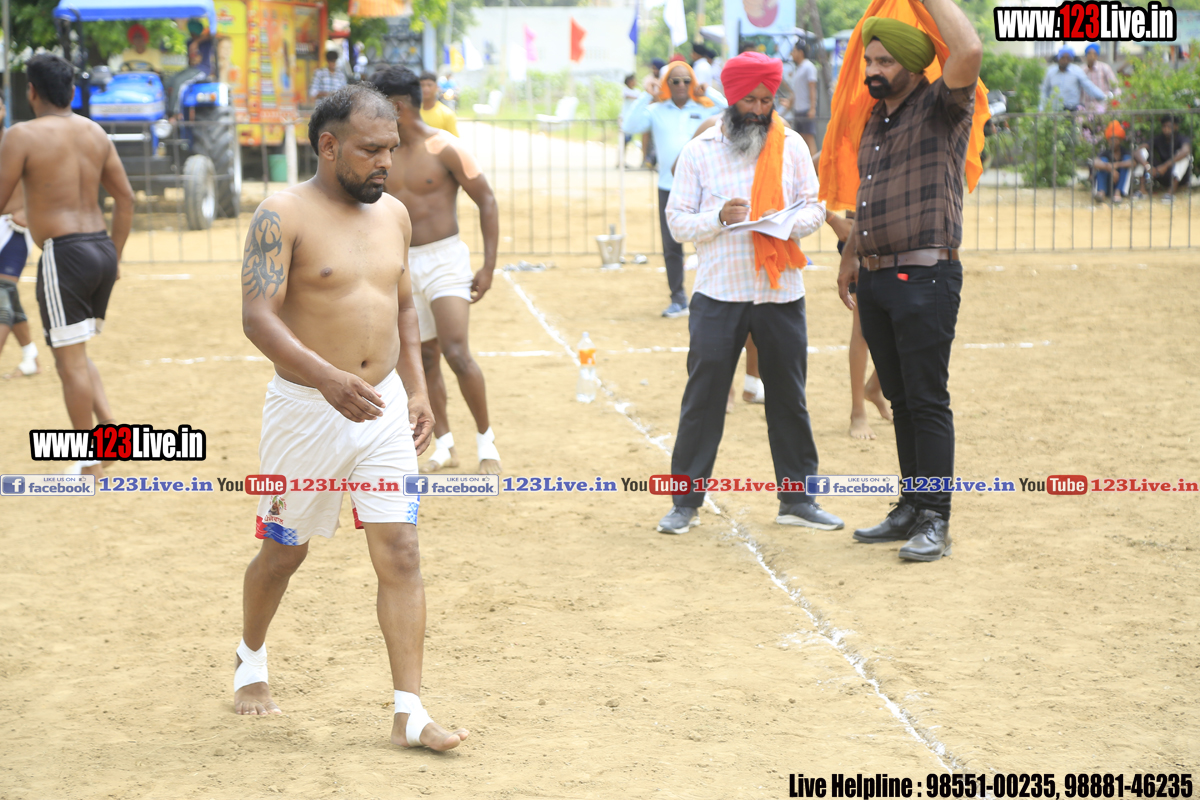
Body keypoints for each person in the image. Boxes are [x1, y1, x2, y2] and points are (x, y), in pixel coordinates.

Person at [234, 84, 469, 752]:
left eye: (390, 149)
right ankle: (251, 657)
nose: (385, 162)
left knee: (401, 550)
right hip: (306, 411)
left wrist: (417, 391)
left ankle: (410, 712)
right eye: (371, 150)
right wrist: (326, 377)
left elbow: (403, 307)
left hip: (383, 407)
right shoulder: (281, 215)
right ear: (329, 145)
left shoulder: (395, 214)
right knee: (284, 551)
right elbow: (257, 318)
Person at [658, 51, 841, 535]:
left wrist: (783, 225)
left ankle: (798, 501)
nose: (760, 109)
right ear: (733, 99)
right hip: (719, 293)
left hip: (779, 292)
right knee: (703, 399)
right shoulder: (700, 151)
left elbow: (814, 207)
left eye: (767, 100)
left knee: (789, 399)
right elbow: (677, 223)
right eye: (751, 101)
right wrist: (719, 219)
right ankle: (684, 503)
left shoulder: (792, 145)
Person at [835, 3, 982, 562]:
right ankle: (911, 506)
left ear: (915, 65)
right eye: (869, 60)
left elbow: (968, 51)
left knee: (926, 398)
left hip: (924, 275)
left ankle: (935, 519)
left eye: (886, 62)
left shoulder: (942, 107)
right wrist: (850, 255)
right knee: (899, 397)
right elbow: (869, 196)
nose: (873, 70)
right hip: (875, 277)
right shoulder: (876, 118)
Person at [0, 54, 133, 477]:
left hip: (65, 254)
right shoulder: (95, 132)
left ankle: (89, 461)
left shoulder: (22, 135)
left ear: (31, 92)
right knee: (73, 349)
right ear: (72, 91)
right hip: (101, 249)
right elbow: (126, 198)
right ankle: (109, 434)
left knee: (68, 361)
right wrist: (116, 256)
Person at [369, 66, 502, 475]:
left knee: (456, 352)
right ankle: (444, 446)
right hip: (403, 265)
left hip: (446, 259)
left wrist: (488, 266)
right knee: (424, 357)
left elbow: (487, 200)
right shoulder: (381, 156)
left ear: (395, 107)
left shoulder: (446, 147)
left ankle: (487, 444)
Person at [622, 60, 727, 318]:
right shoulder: (656, 110)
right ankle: (678, 298)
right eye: (675, 81)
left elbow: (732, 112)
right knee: (671, 245)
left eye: (686, 80)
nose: (681, 85)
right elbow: (629, 127)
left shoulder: (704, 109)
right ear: (666, 83)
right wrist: (646, 94)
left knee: (709, 238)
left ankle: (714, 295)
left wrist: (709, 91)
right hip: (668, 187)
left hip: (704, 187)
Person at [825, 209, 891, 438]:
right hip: (861, 235)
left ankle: (874, 387)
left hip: (901, 235)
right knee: (862, 329)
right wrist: (831, 218)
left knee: (903, 325)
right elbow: (807, 191)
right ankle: (858, 412)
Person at [0, 98, 39, 379]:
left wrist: (28, 209)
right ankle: (30, 355)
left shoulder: (17, 142)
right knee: (9, 297)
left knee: (2, 292)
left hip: (14, 228)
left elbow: (43, 179)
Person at [1134, 114, 1192, 203]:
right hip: (1160, 173)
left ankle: (1170, 193)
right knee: (1143, 152)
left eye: (1169, 126)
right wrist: (1147, 166)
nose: (1166, 129)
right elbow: (1137, 151)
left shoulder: (1182, 138)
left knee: (1186, 156)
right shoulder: (1159, 138)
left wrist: (1165, 165)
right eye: (1164, 126)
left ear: (1176, 127)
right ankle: (1142, 191)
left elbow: (1186, 150)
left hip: (1178, 177)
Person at [1038, 46, 1106, 112]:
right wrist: (1041, 108)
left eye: (1068, 58)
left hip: (1072, 111)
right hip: (1055, 111)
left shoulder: (1077, 71)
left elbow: (1088, 86)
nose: (1065, 60)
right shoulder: (1050, 72)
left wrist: (1103, 97)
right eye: (1063, 57)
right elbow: (1044, 90)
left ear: (1071, 59)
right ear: (1058, 58)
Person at [788, 43, 820, 155]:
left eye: (794, 51)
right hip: (798, 109)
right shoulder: (799, 68)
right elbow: (797, 90)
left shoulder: (808, 66)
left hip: (806, 109)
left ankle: (813, 165)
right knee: (800, 140)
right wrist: (790, 103)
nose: (792, 54)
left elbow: (812, 87)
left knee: (809, 138)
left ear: (800, 52)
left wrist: (812, 108)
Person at [1092, 120, 1133, 203]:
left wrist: (1117, 165)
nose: (1114, 141)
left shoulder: (1124, 151)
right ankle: (1101, 193)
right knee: (1103, 161)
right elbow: (1095, 163)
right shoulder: (1105, 152)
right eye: (1111, 139)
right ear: (1108, 140)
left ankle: (1118, 194)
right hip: (1107, 182)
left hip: (1120, 183)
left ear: (1120, 140)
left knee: (1127, 161)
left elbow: (1133, 163)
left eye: (1116, 139)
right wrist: (1110, 168)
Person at [640, 59, 666, 169]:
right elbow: (648, 93)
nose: (654, 70)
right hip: (650, 111)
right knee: (646, 135)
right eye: (653, 68)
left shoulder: (665, 79)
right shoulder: (649, 79)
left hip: (662, 113)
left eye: (656, 69)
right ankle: (644, 159)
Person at [418, 71, 459, 136]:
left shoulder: (447, 114)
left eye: (429, 85)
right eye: (422, 85)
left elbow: (454, 140)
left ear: (436, 87)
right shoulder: (414, 113)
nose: (425, 88)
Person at [1082, 43, 1118, 114]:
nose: (1092, 56)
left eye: (1094, 54)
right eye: (1089, 53)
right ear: (1086, 55)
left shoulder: (1104, 68)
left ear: (1097, 56)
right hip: (1087, 109)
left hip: (1103, 108)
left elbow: (1115, 86)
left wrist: (1115, 101)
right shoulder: (1082, 70)